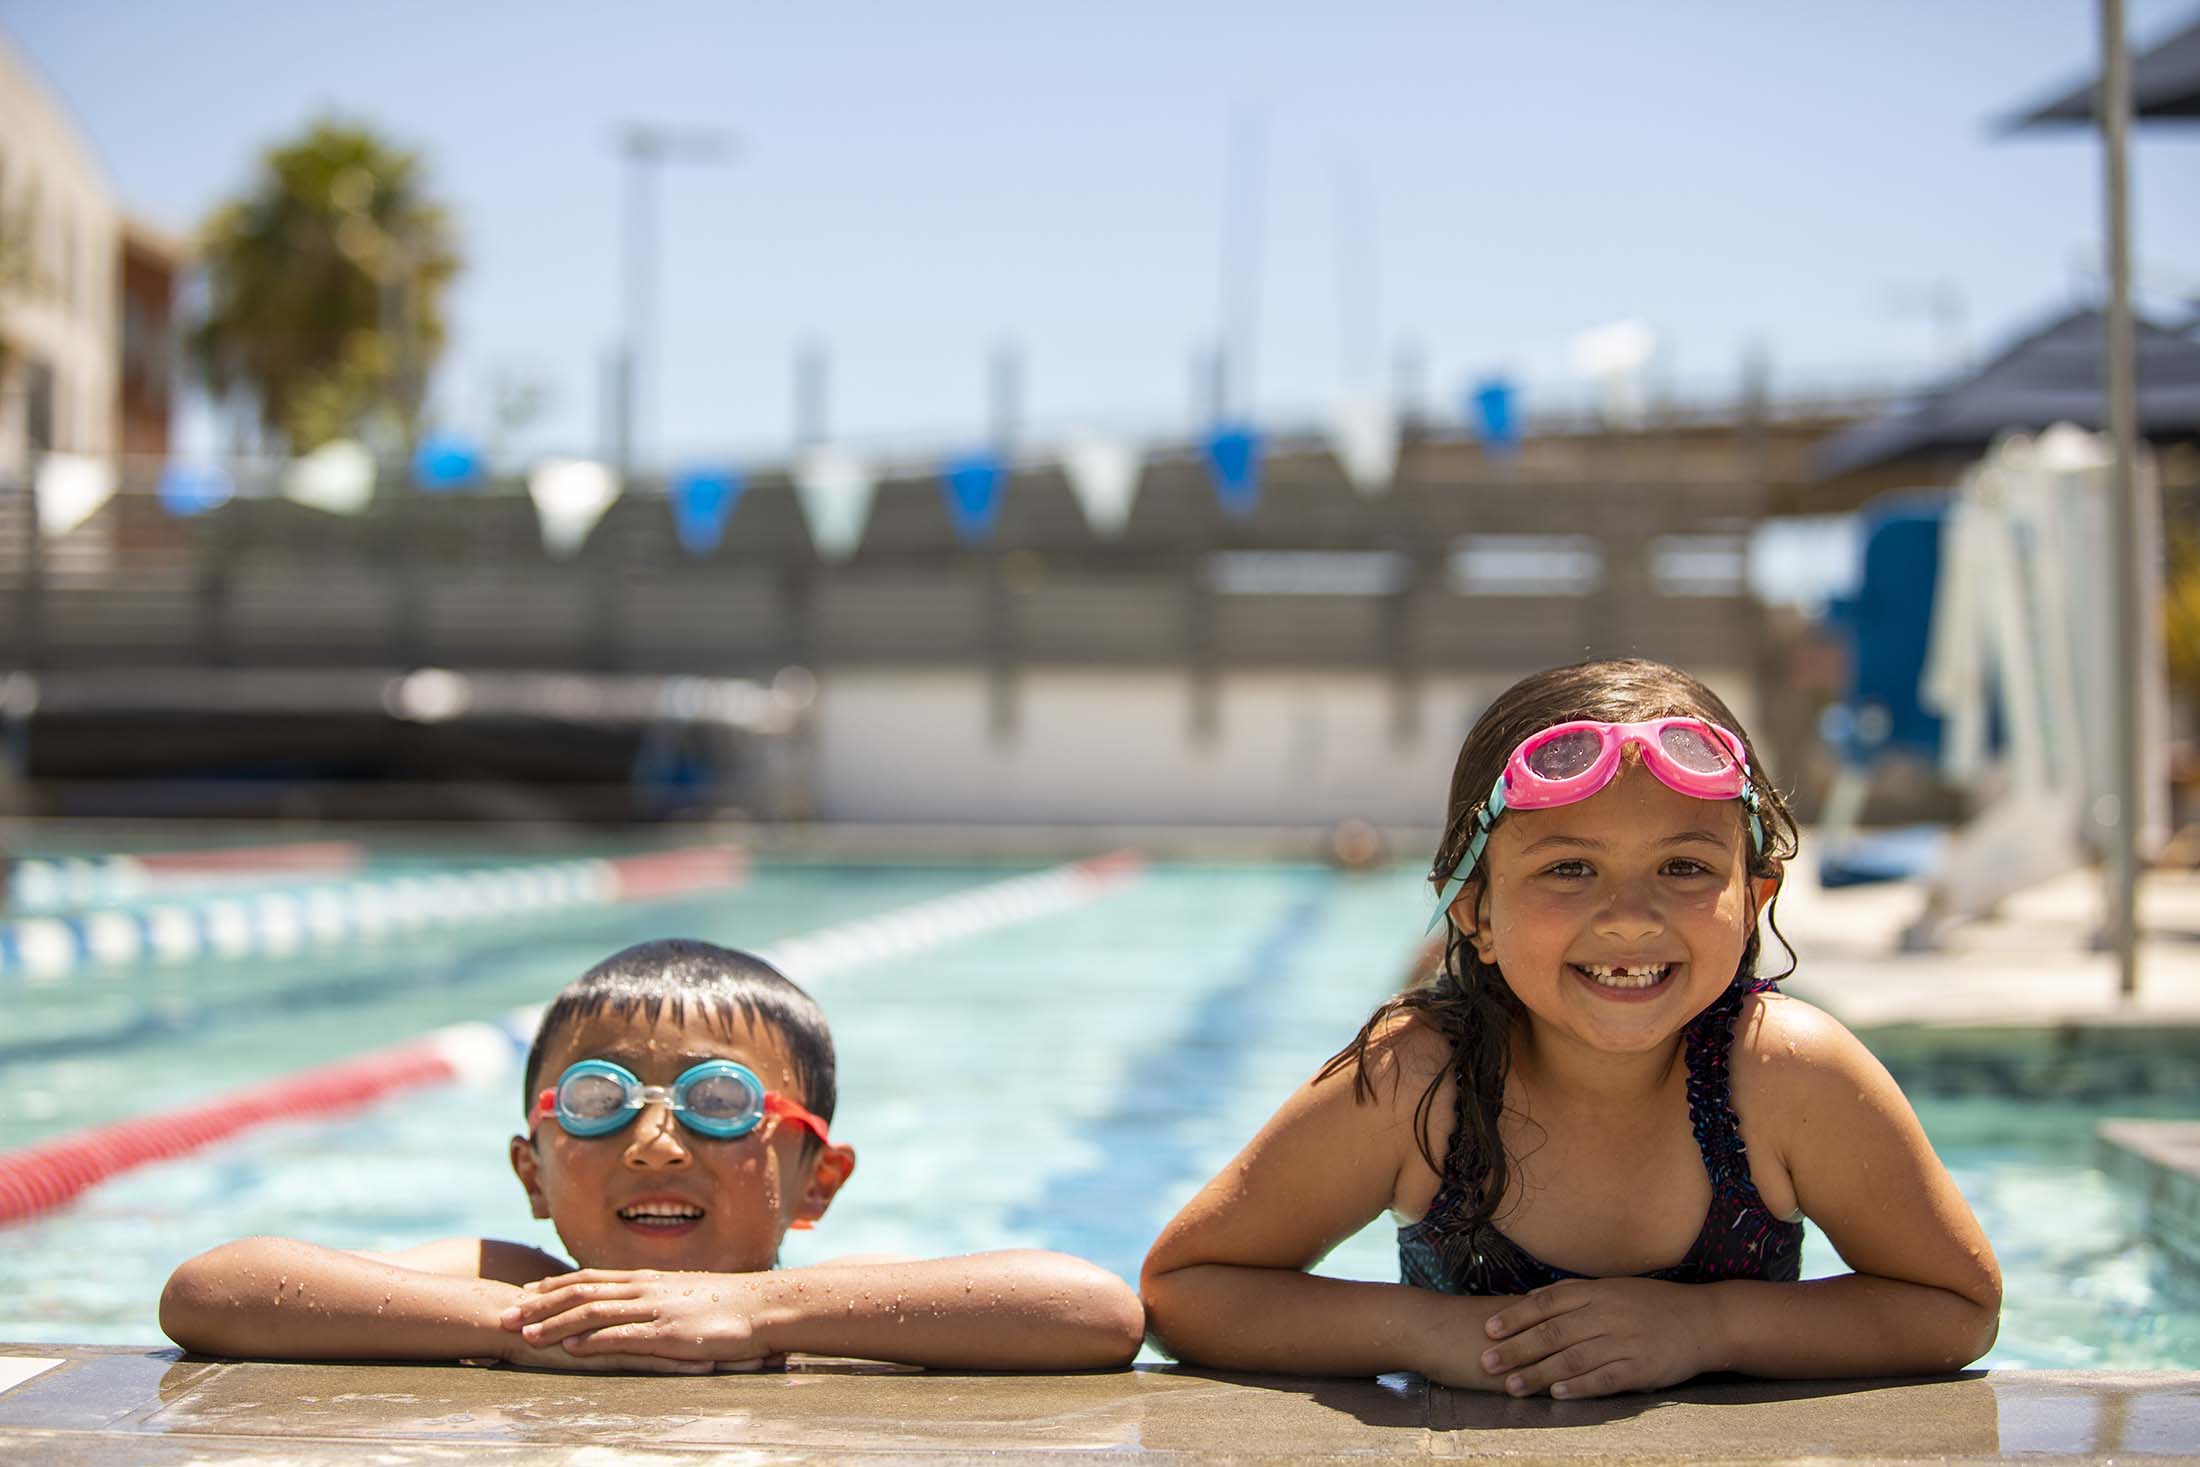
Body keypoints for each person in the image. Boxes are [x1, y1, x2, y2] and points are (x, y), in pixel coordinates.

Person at [1141, 658, 2001, 1398]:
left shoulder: (1784, 1076)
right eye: (1570, 867)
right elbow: (1187, 1288)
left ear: (1755, 899)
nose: (1629, 917)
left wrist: (1714, 1327)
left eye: (1684, 866)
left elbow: (1957, 1305)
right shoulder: (1419, 1079)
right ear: (1473, 912)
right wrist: (1433, 1335)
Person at [162, 939, 1144, 1372]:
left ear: (820, 1180)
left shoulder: (821, 1304)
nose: (653, 1142)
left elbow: (1093, 1312)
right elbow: (214, 1290)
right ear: (530, 1173)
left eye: (720, 1103)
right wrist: (530, 1331)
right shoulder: (515, 1283)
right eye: (598, 1102)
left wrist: (755, 1313)